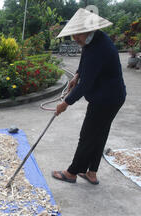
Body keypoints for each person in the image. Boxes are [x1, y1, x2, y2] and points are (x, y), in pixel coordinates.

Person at [51, 8, 126, 185]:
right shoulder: (93, 41)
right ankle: (91, 173)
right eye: (73, 35)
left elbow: (86, 85)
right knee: (99, 134)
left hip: (106, 98)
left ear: (89, 30)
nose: (75, 38)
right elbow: (84, 61)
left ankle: (72, 173)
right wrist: (76, 75)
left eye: (78, 34)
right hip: (112, 96)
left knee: (88, 134)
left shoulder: (99, 47)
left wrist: (65, 103)